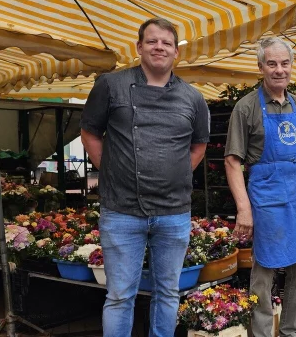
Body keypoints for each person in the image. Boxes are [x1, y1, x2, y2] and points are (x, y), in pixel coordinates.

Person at [81, 18, 210, 337]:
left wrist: (174, 175)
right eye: (152, 41)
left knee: (167, 293)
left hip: (174, 213)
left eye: (167, 43)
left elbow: (199, 146)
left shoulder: (193, 97)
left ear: (176, 53)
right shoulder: (111, 85)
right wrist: (113, 173)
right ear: (139, 47)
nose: (159, 47)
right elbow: (89, 134)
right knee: (120, 295)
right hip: (122, 210)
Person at [224, 37, 296, 337]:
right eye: (272, 64)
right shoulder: (245, 108)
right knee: (263, 274)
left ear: (292, 66)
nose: (279, 70)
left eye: (285, 63)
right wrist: (244, 209)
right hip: (266, 199)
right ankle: (261, 332)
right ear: (261, 67)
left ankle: (292, 332)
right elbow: (232, 162)